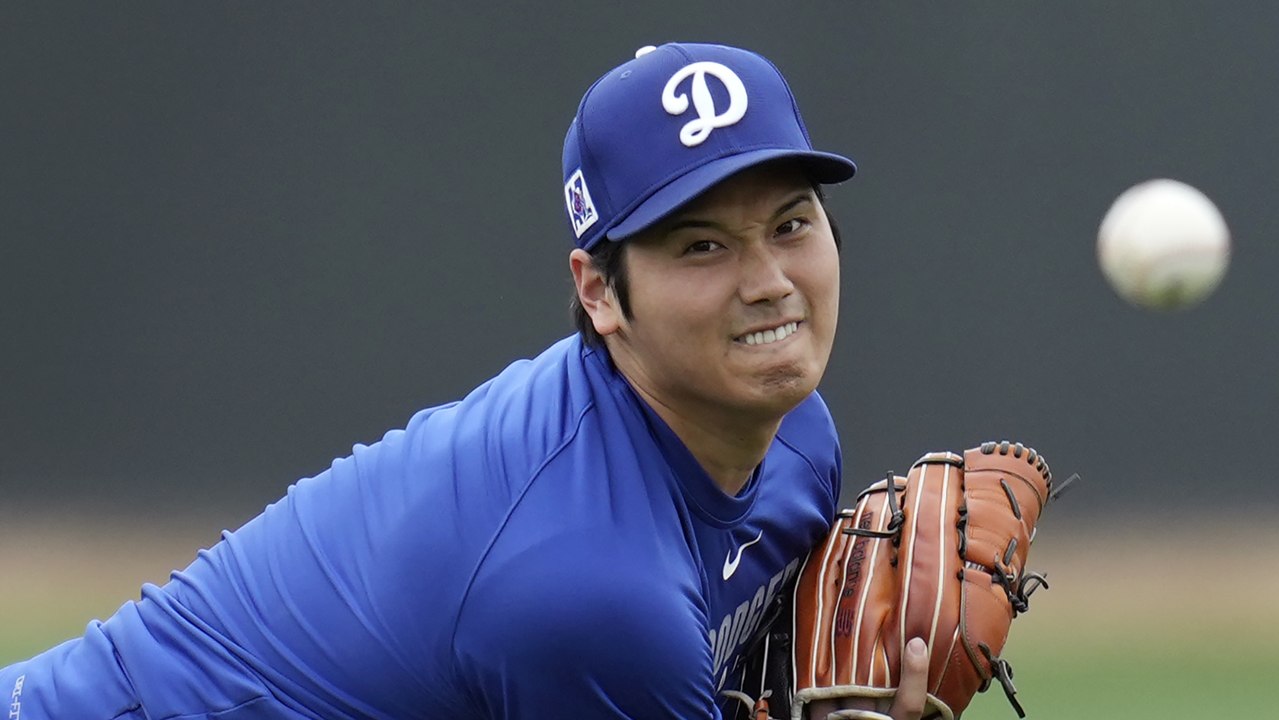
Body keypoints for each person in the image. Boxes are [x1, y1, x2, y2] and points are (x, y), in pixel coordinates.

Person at [0, 42, 929, 719]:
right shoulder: (586, 587)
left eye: (791, 223)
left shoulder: (796, 437)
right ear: (600, 293)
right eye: (701, 245)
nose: (767, 280)